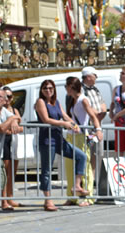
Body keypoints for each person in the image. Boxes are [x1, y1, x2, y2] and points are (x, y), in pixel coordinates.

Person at [35, 80, 89, 211]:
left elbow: (65, 116)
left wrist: (74, 124)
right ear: (41, 90)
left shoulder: (56, 102)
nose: (48, 90)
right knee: (47, 171)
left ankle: (77, 186)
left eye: (50, 88)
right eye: (45, 88)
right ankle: (48, 200)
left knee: (81, 156)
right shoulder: (40, 102)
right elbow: (46, 120)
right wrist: (64, 124)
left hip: (59, 139)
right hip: (47, 141)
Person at [64, 77, 103, 206]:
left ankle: (89, 196)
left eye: (66, 86)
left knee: (85, 167)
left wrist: (98, 129)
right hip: (71, 135)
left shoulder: (83, 100)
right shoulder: (73, 100)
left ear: (71, 87)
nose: (65, 89)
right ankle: (72, 196)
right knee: (70, 166)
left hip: (81, 136)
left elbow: (93, 115)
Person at [80, 67, 107, 176]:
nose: (96, 78)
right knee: (87, 153)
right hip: (88, 128)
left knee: (96, 153)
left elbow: (102, 102)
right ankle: (85, 176)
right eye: (95, 76)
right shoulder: (81, 90)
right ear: (88, 77)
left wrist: (103, 111)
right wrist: (96, 114)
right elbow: (87, 107)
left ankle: (92, 176)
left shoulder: (96, 89)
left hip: (97, 127)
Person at [1, 86, 23, 211]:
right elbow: (2, 128)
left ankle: (10, 198)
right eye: (5, 96)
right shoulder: (0, 110)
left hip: (13, 142)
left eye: (9, 96)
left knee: (12, 172)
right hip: (3, 142)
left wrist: (14, 125)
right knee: (5, 171)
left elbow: (21, 126)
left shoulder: (14, 110)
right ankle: (4, 201)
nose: (7, 99)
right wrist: (12, 126)